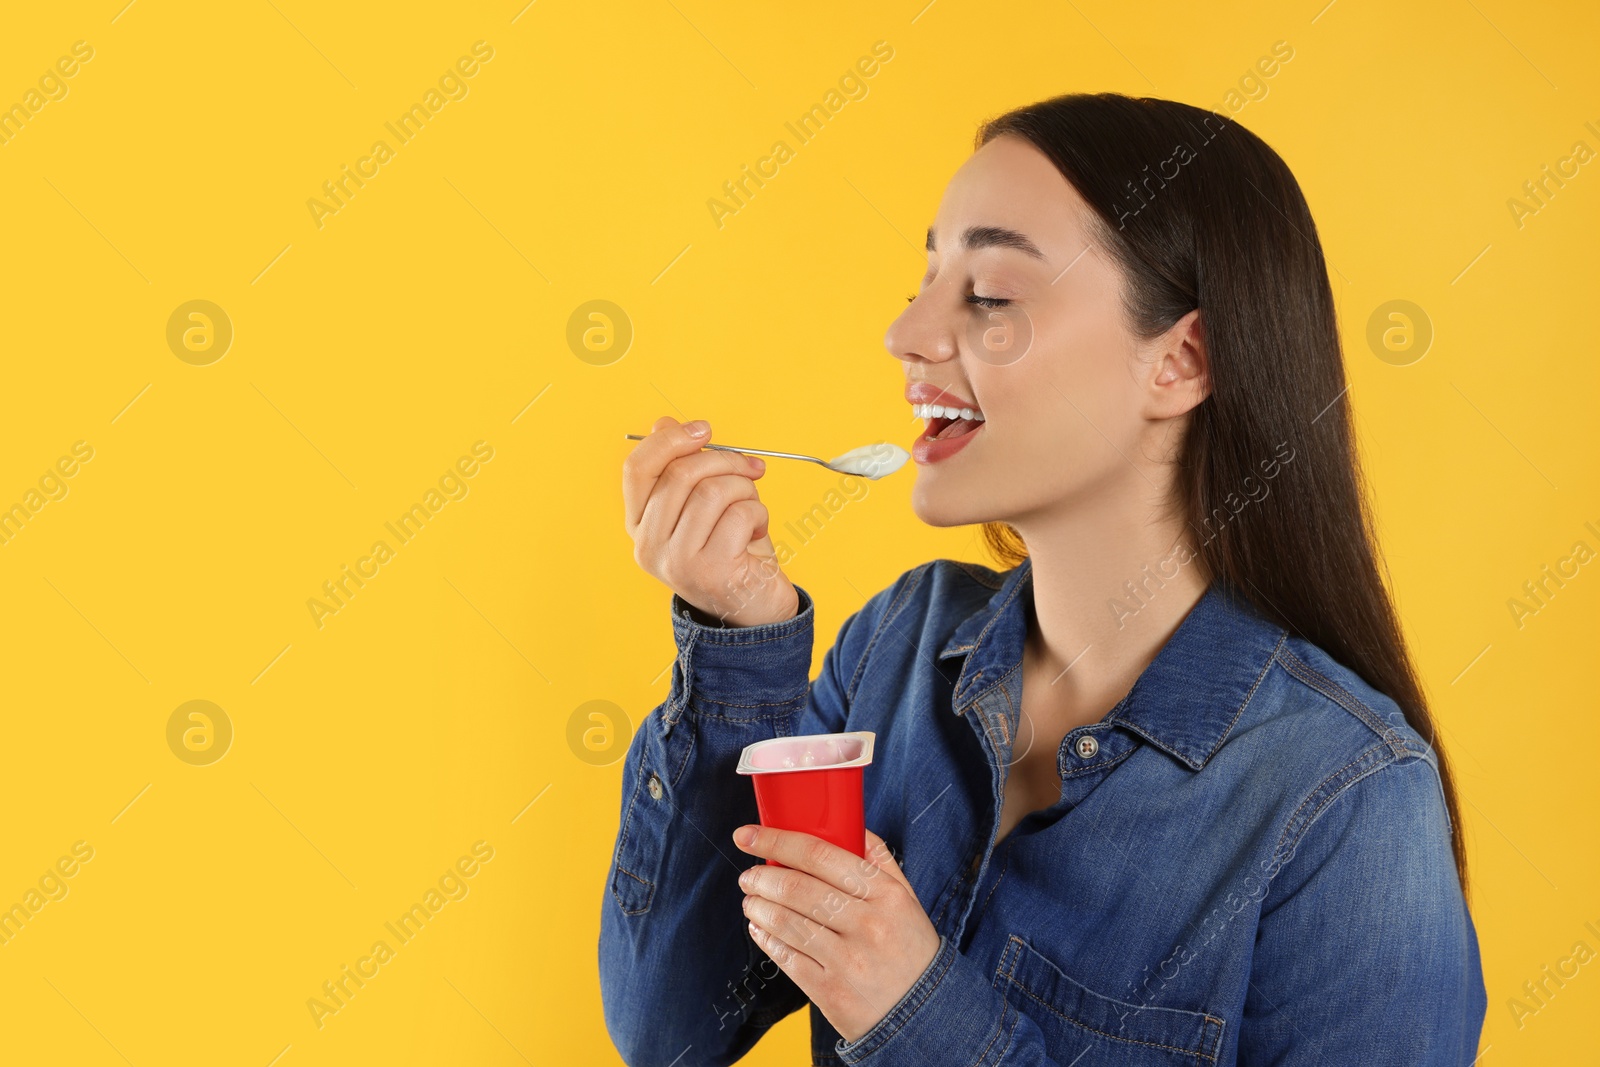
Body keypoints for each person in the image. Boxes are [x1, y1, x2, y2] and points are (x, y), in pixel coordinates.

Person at [601, 91, 1487, 1066]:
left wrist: (916, 1013)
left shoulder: (1343, 798)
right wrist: (738, 640)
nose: (907, 333)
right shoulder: (895, 650)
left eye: (988, 294)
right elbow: (673, 1029)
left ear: (1181, 360)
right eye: (926, 278)